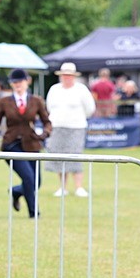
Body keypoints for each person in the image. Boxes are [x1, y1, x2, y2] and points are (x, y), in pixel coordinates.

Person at [0, 68, 52, 218]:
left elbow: (47, 122)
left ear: (27, 81)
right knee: (28, 177)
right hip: (11, 145)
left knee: (36, 182)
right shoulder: (4, 102)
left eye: (20, 81)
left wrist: (45, 133)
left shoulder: (36, 101)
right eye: (14, 82)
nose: (18, 85)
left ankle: (15, 191)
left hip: (32, 144)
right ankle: (34, 213)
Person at [44, 62, 96, 197]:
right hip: (57, 127)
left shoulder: (81, 90)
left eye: (69, 75)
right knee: (59, 156)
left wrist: (76, 118)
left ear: (73, 76)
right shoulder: (54, 89)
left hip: (76, 127)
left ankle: (79, 187)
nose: (66, 78)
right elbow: (49, 106)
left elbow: (90, 109)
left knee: (76, 155)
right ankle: (62, 187)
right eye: (64, 75)